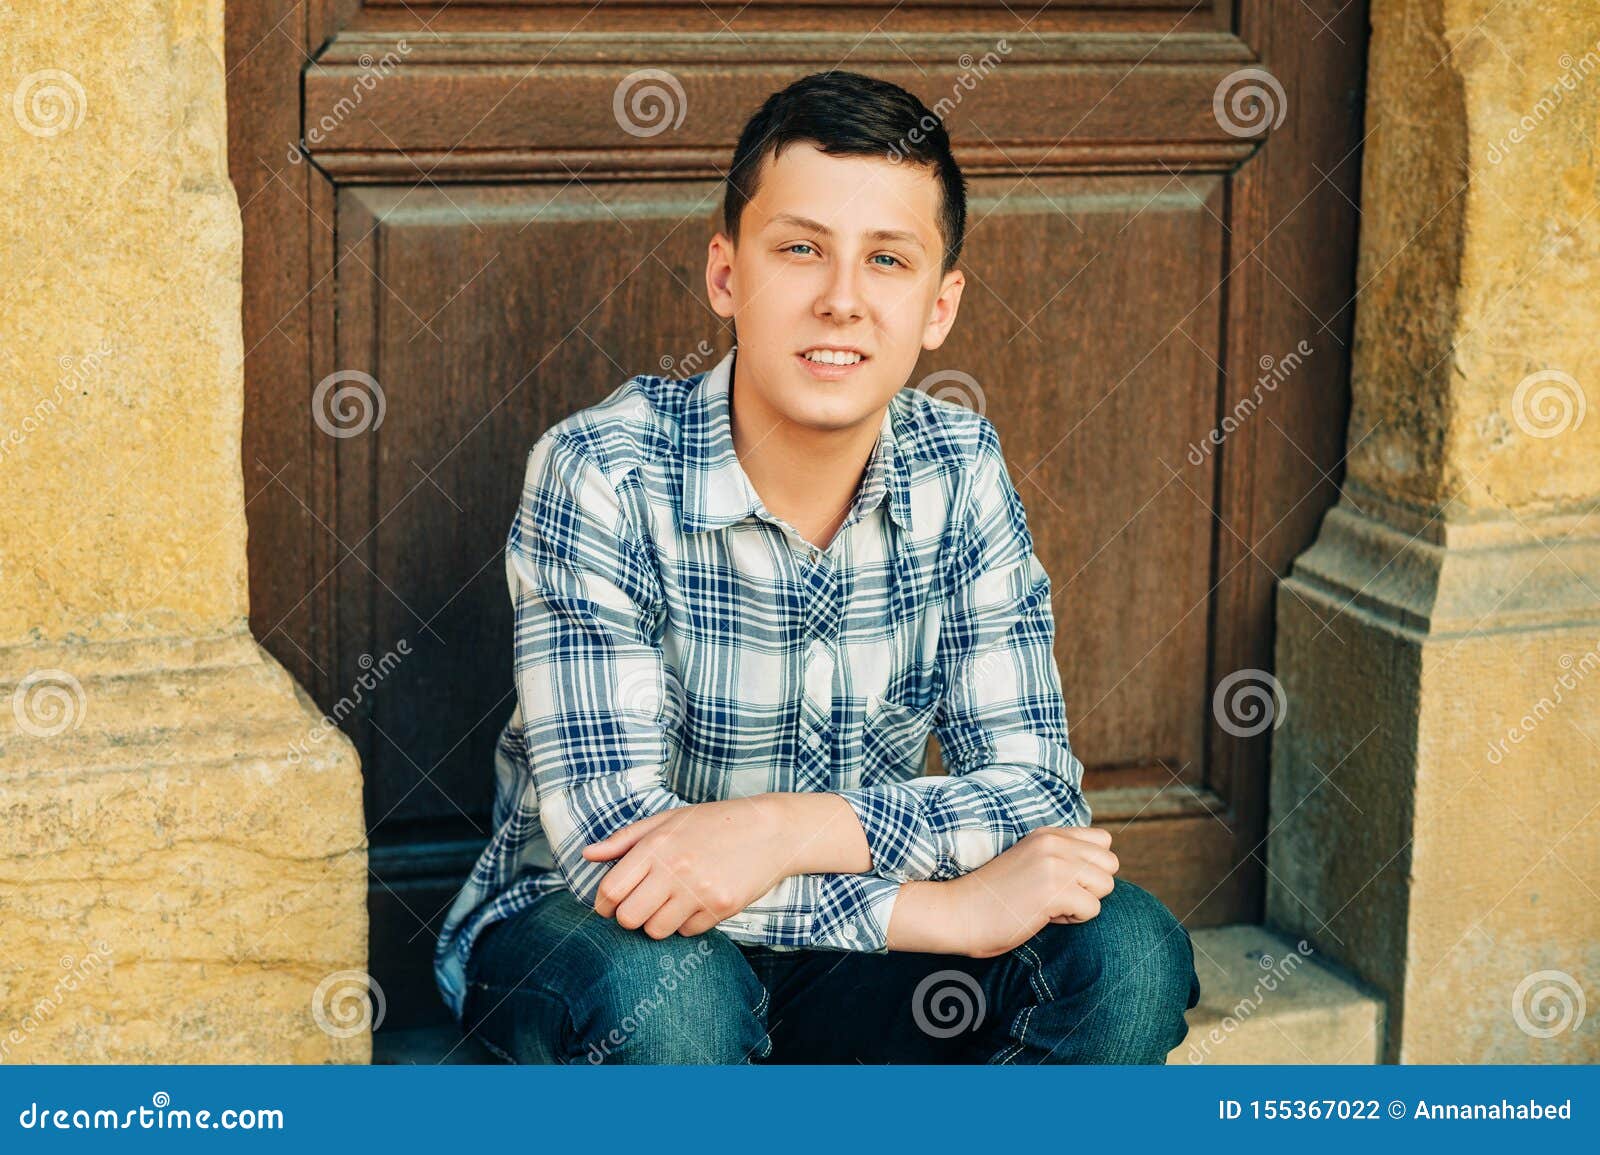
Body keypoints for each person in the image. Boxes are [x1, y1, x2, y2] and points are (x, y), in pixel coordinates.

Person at [433, 68, 1200, 1064]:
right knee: (672, 995)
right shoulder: (601, 472)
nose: (841, 300)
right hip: (591, 948)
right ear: (726, 275)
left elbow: (1032, 794)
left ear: (938, 306)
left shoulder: (960, 468)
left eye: (887, 260)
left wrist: (778, 830)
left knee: (1127, 952)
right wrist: (942, 918)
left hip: (835, 969)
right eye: (799, 249)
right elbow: (612, 850)